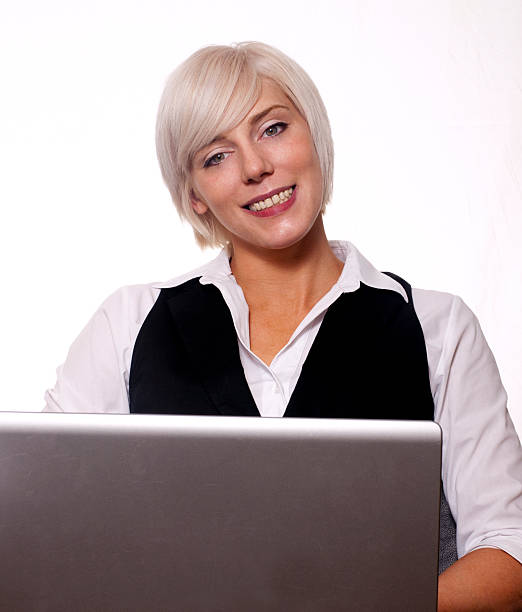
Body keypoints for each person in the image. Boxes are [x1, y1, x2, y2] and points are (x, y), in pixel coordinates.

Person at [45, 42, 522, 610]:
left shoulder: (438, 329)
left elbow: (508, 554)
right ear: (195, 196)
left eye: (272, 128)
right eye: (215, 156)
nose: (254, 168)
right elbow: (46, 524)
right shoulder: (126, 325)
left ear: (313, 135)